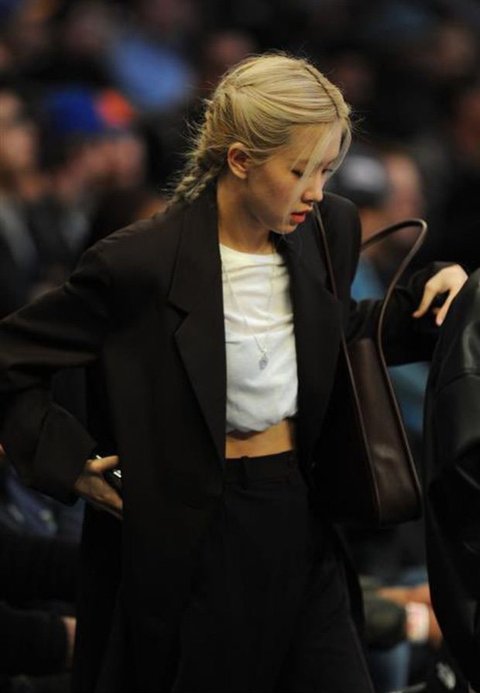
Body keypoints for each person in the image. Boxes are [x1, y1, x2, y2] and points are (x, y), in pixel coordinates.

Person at [0, 53, 467, 693]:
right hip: (193, 531)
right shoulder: (138, 262)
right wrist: (70, 461)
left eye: (326, 170)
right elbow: (11, 359)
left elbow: (332, 333)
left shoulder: (327, 227)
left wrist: (432, 301)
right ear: (241, 159)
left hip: (301, 511)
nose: (316, 190)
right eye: (300, 170)